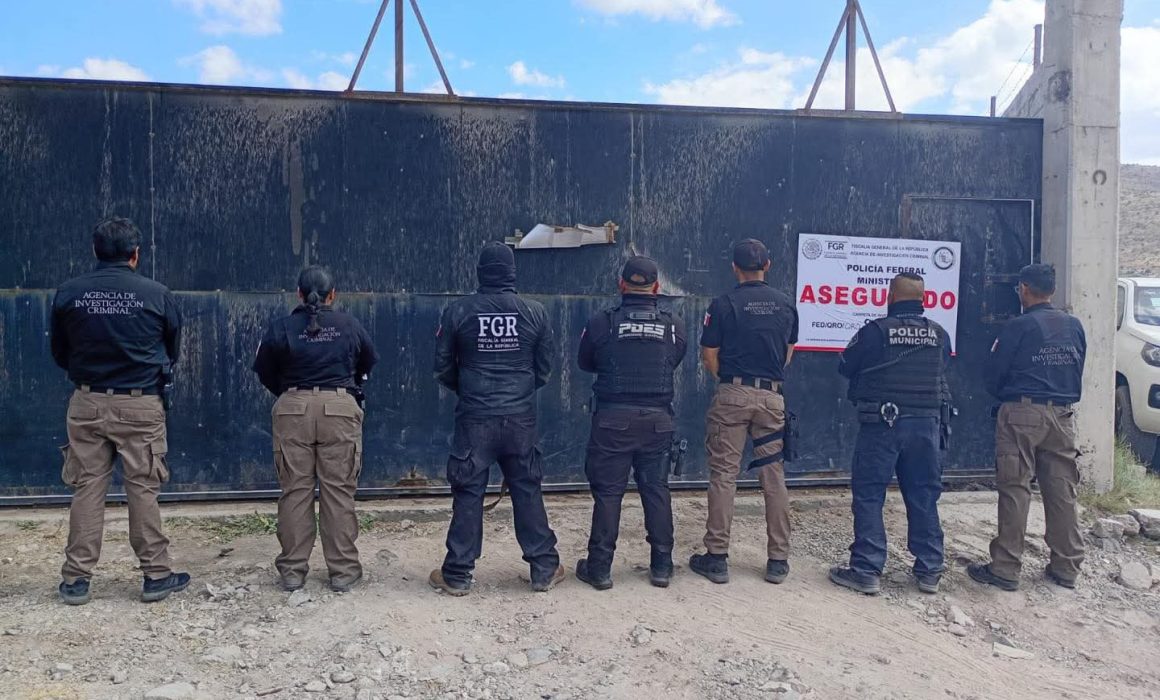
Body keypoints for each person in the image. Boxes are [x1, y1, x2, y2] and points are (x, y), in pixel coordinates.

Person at [50, 216, 189, 605]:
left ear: (95, 251)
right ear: (135, 254)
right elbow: (172, 349)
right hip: (140, 402)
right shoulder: (157, 294)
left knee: (87, 488)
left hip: (87, 401)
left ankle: (76, 580)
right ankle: (156, 575)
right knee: (142, 488)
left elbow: (60, 352)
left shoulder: (69, 293)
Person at [429, 242, 563, 595]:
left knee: (469, 491)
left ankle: (457, 574)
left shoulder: (458, 311)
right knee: (527, 488)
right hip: (520, 419)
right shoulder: (534, 312)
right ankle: (544, 569)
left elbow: (442, 367)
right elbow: (544, 370)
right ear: (512, 274)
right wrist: (517, 393)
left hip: (475, 419)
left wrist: (472, 392)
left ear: (480, 273)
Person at [252, 266, 378, 593]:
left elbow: (264, 370)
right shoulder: (349, 325)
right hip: (339, 408)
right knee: (338, 491)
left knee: (295, 491)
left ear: (298, 294)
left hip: (292, 408)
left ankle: (293, 572)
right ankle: (343, 572)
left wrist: (290, 393)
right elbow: (368, 362)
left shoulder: (282, 327)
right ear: (333, 295)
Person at [828, 273, 952, 596]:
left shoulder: (874, 333)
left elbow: (846, 366)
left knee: (869, 494)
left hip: (884, 424)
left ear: (890, 296)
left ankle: (867, 569)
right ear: (923, 298)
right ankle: (930, 569)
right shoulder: (939, 334)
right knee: (924, 494)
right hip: (927, 426)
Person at [969, 263, 1087, 591]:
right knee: (1061, 489)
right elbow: (1079, 367)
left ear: (1023, 289)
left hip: (1022, 412)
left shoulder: (1018, 327)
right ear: (1051, 290)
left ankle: (1005, 568)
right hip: (1062, 416)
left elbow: (994, 373)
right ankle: (1066, 567)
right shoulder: (1074, 326)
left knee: (1015, 487)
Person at [574, 256, 688, 590]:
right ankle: (662, 566)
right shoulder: (674, 325)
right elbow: (674, 360)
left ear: (622, 284)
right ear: (656, 287)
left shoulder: (601, 323)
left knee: (609, 494)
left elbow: (585, 362)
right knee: (656, 490)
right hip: (657, 421)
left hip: (613, 419)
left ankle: (600, 568)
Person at [689, 239, 798, 585]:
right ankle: (778, 560)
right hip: (771, 396)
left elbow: (709, 355)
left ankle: (717, 557)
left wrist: (731, 384)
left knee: (723, 474)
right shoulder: (786, 305)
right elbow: (788, 353)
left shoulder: (723, 305)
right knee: (773, 475)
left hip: (732, 395)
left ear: (734, 268)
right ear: (768, 265)